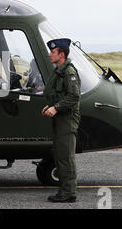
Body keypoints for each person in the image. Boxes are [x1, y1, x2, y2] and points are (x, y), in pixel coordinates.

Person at [42, 38, 81, 203]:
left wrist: (56, 108)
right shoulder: (59, 70)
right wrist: (49, 106)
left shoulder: (69, 72)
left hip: (67, 119)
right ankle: (63, 191)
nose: (50, 54)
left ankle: (69, 193)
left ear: (62, 54)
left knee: (66, 156)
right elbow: (58, 93)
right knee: (60, 155)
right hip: (60, 118)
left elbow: (74, 96)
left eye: (53, 51)